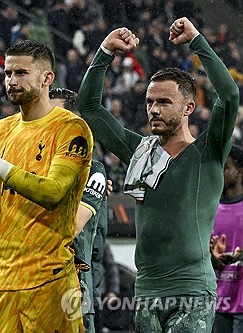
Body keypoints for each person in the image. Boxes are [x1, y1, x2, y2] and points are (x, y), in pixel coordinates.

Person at [75, 18, 239, 332]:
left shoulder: (209, 150)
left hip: (192, 291)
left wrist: (197, 42)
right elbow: (90, 107)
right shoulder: (138, 150)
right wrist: (105, 51)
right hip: (147, 292)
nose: (154, 109)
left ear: (189, 107)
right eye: (150, 101)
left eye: (164, 102)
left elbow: (229, 96)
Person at [0, 39, 93, 332]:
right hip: (0, 282)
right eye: (7, 73)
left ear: (47, 78)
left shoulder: (70, 128)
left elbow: (53, 193)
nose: (12, 81)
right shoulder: (2, 130)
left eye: (21, 73)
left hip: (49, 280)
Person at [49, 87, 108, 333]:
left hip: (74, 293)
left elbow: (71, 227)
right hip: (30, 289)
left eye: (54, 117)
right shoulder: (28, 165)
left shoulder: (92, 171)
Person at [210, 144, 243, 333]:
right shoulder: (208, 208)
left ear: (239, 173)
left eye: (225, 168)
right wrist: (212, 257)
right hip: (217, 302)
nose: (219, 173)